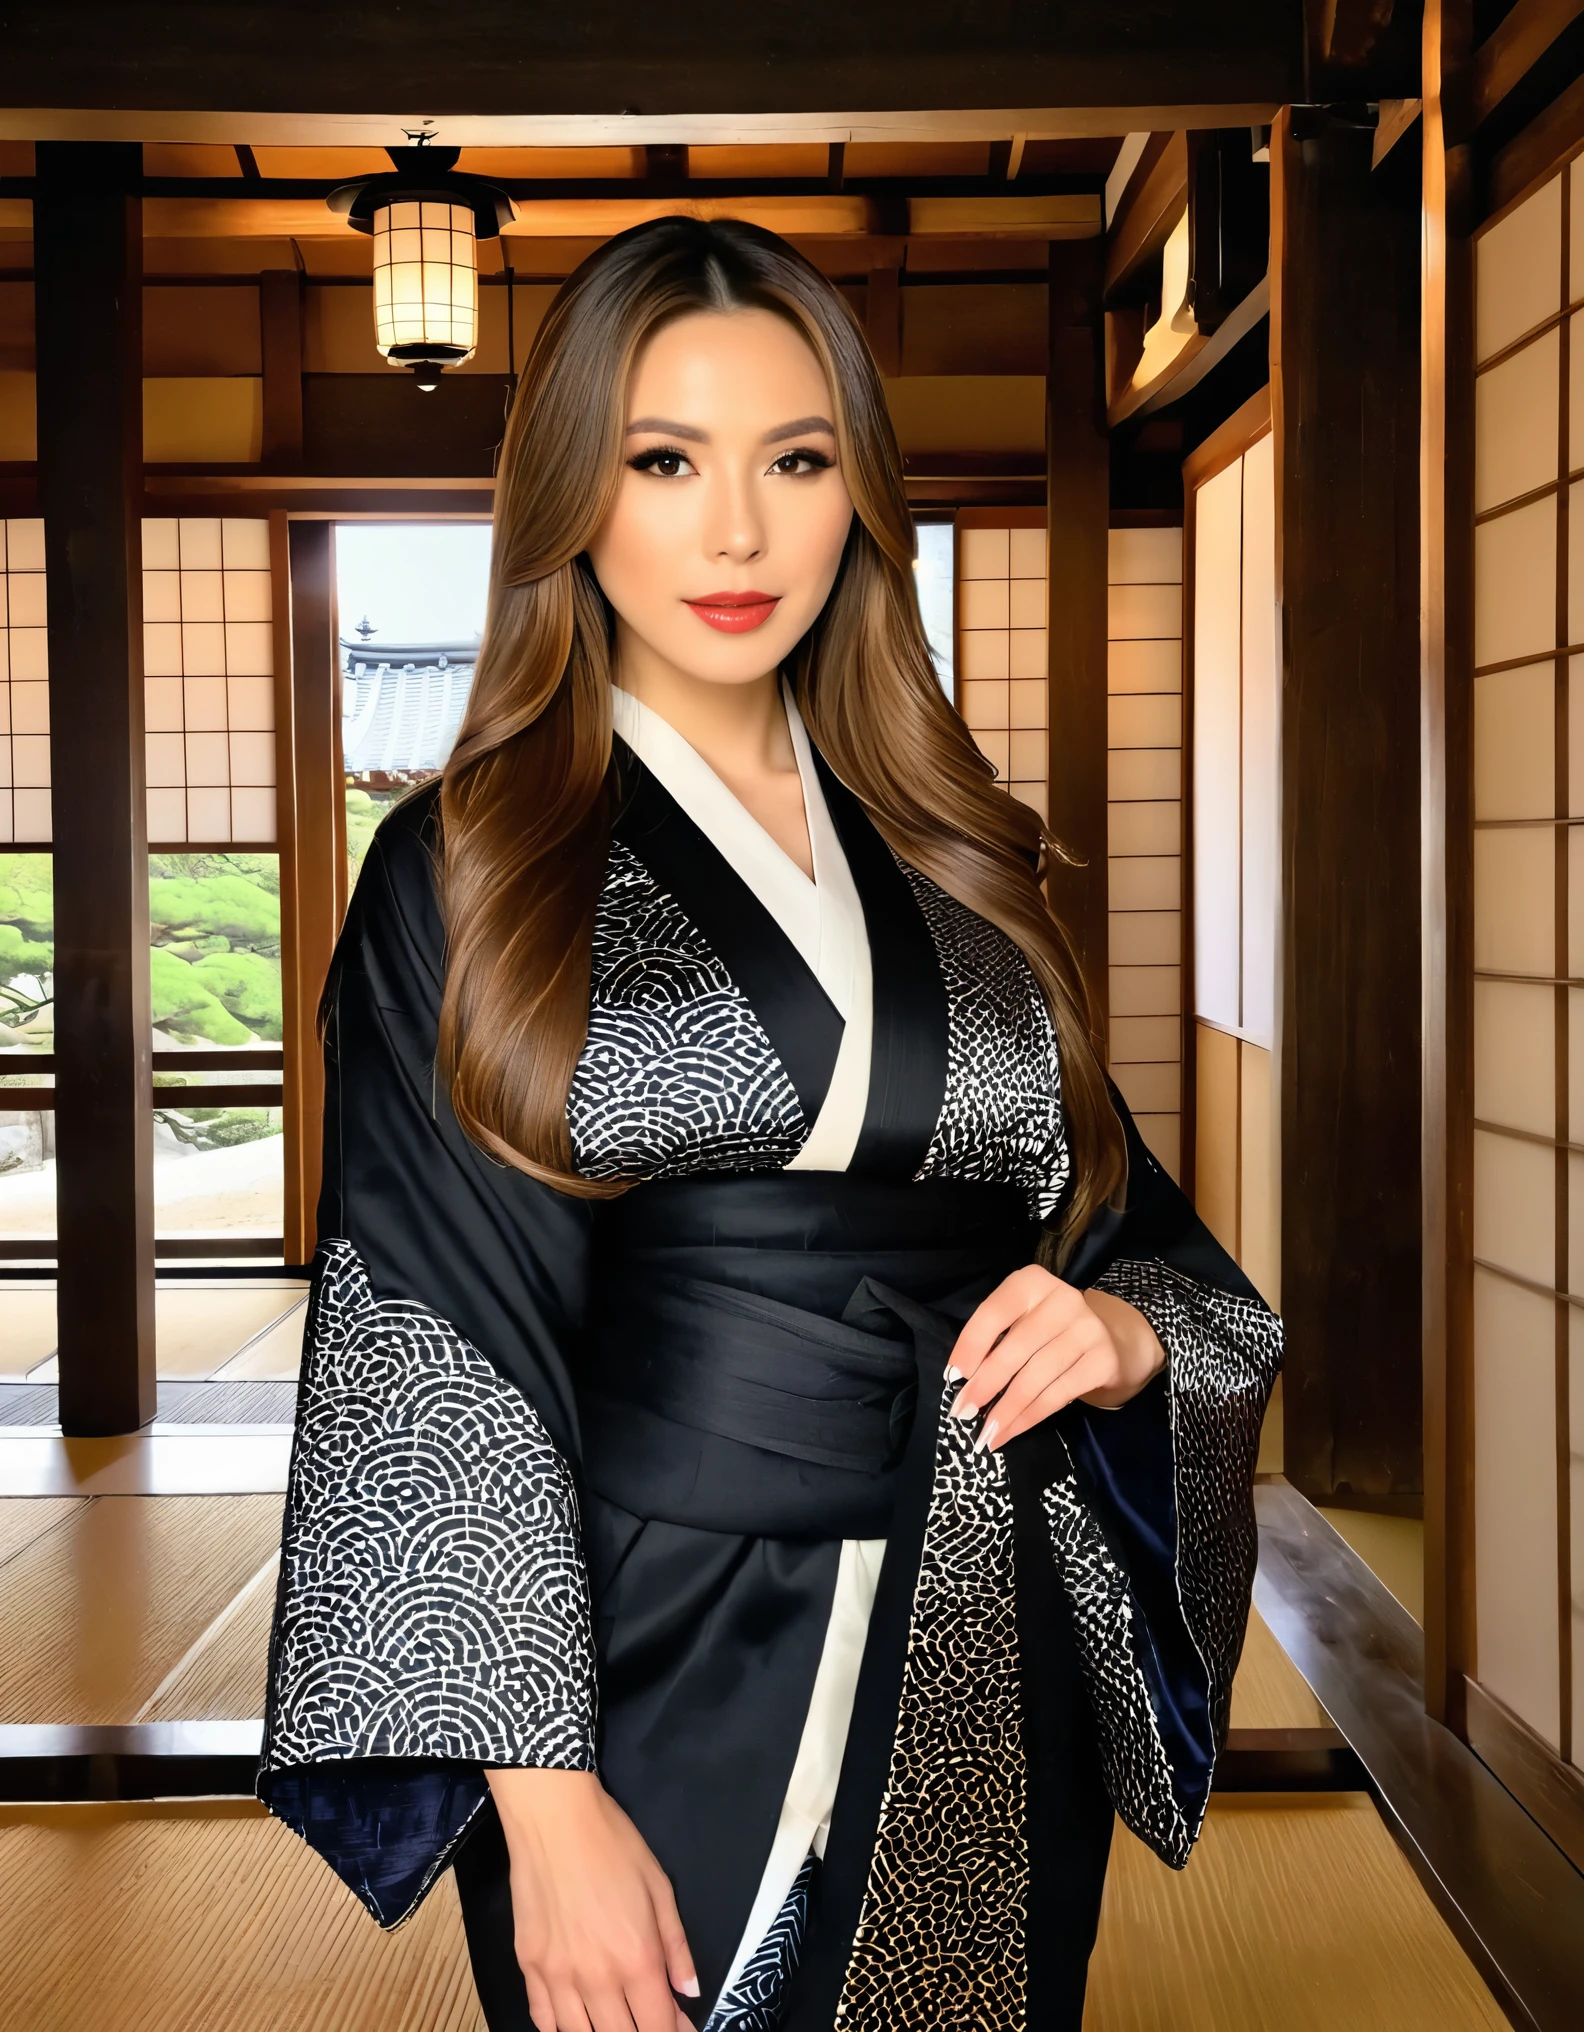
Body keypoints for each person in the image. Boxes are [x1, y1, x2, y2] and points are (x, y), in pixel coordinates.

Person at [258, 215, 1282, 2032]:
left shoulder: (959, 846)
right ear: (577, 491)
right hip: (649, 1647)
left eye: (795, 461)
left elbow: (1114, 1213)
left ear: (855, 495)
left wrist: (1128, 1334)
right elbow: (434, 1336)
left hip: (990, 1606)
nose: (736, 534)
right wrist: (545, 1801)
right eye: (665, 461)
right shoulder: (473, 862)